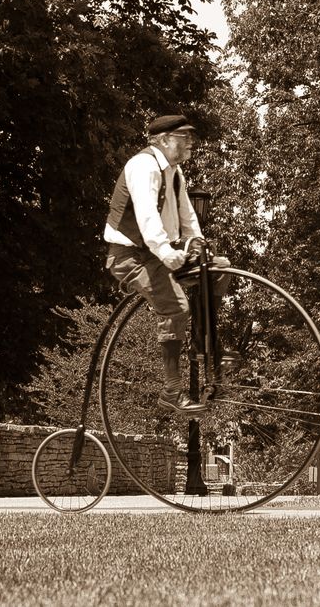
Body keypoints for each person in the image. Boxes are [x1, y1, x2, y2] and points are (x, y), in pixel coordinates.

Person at [104, 114, 228, 414]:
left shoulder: (174, 172)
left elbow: (187, 214)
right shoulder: (143, 166)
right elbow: (147, 215)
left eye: (190, 137)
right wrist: (166, 251)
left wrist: (197, 244)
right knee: (175, 307)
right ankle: (172, 392)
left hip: (159, 253)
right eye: (183, 137)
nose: (190, 143)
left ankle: (207, 346)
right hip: (130, 257)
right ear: (162, 140)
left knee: (218, 269)